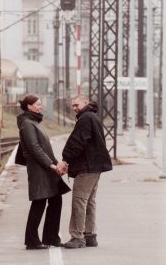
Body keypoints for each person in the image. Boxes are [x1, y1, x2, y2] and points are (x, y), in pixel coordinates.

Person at [57, 94, 112, 249]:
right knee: (89, 201)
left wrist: (65, 159)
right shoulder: (92, 117)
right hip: (95, 166)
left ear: (85, 103)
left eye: (77, 105)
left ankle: (77, 237)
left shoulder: (85, 119)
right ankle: (90, 236)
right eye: (73, 106)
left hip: (87, 167)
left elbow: (77, 141)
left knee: (79, 201)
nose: (75, 108)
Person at [17, 94, 69, 250]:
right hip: (40, 169)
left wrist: (56, 164)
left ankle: (51, 238)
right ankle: (32, 241)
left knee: (55, 200)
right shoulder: (27, 124)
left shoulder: (33, 122)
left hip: (47, 168)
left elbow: (43, 148)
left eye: (40, 104)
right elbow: (35, 149)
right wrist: (52, 166)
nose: (41, 106)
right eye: (38, 104)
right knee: (39, 202)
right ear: (29, 107)